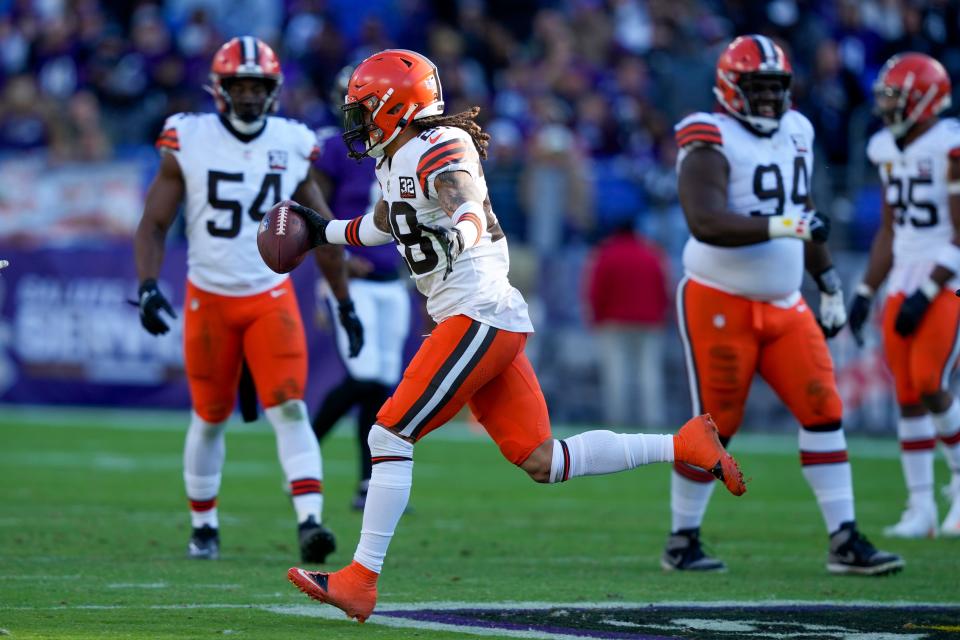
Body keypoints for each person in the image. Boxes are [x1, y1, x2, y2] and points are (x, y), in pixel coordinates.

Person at [284, 48, 746, 623]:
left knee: (389, 434)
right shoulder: (398, 158)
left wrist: (466, 229)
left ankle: (360, 578)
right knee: (541, 460)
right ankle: (684, 446)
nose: (355, 122)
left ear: (396, 107)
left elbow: (463, 197)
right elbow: (386, 223)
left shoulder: (437, 146)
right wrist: (321, 230)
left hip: (477, 313)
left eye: (363, 109)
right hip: (481, 316)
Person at [663, 35, 903, 576]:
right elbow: (704, 220)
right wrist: (784, 225)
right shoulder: (708, 134)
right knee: (716, 423)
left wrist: (830, 282)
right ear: (730, 87)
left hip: (786, 300)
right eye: (758, 88)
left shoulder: (798, 129)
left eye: (776, 88)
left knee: (824, 408)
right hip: (718, 297)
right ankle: (682, 539)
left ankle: (844, 539)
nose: (770, 99)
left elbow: (806, 210)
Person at [133, 37, 364, 563]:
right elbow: (154, 222)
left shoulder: (293, 141)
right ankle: (204, 525)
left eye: (257, 86)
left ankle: (310, 522)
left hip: (268, 297)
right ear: (218, 88)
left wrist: (344, 301)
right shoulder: (188, 137)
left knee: (289, 406)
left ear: (274, 91)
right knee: (210, 416)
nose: (248, 95)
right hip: (209, 298)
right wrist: (147, 284)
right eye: (238, 85)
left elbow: (321, 229)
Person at [848, 52, 960, 538]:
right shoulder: (885, 149)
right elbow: (890, 232)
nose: (889, 107)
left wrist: (931, 288)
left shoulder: (949, 145)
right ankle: (920, 508)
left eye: (898, 97)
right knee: (907, 393)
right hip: (904, 277)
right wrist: (865, 290)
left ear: (925, 100)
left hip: (949, 275)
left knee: (931, 381)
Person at [310, 66, 411, 511]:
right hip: (355, 279)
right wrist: (336, 264)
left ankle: (368, 483)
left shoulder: (406, 145)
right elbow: (316, 211)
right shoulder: (334, 148)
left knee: (382, 387)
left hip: (394, 281)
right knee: (365, 376)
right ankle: (303, 447)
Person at [584, 219, 670, 427]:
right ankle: (653, 418)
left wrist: (595, 317)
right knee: (649, 372)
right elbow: (664, 288)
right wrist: (661, 316)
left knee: (616, 372)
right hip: (649, 322)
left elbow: (595, 290)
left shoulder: (606, 253)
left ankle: (618, 418)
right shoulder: (652, 253)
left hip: (614, 322)